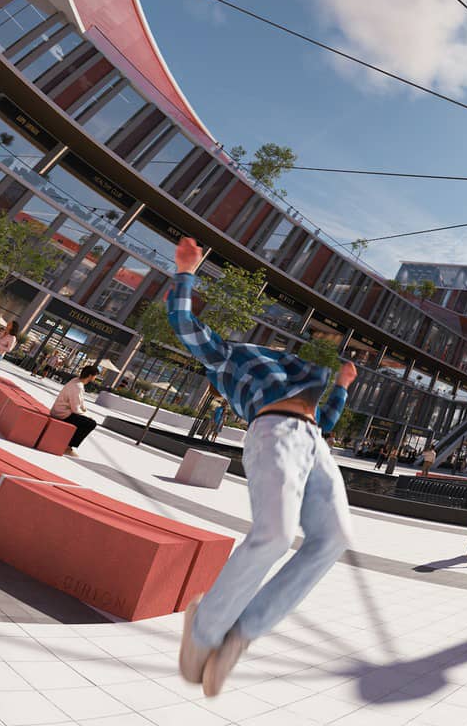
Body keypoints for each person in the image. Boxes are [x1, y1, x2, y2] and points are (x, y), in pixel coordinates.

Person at [166, 236, 356, 698]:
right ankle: (205, 629)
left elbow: (327, 422)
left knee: (334, 538)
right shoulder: (230, 355)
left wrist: (343, 386)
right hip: (274, 432)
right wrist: (186, 271)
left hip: (314, 443)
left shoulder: (310, 375)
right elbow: (185, 325)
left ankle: (241, 634)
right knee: (275, 535)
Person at [49, 365, 101, 455]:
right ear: (90, 376)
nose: (95, 378)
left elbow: (79, 402)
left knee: (85, 421)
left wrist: (83, 410)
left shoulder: (76, 381)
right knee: (90, 424)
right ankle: (68, 447)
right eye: (95, 376)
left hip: (60, 410)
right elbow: (75, 409)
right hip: (62, 413)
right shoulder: (78, 386)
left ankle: (67, 444)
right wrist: (87, 416)